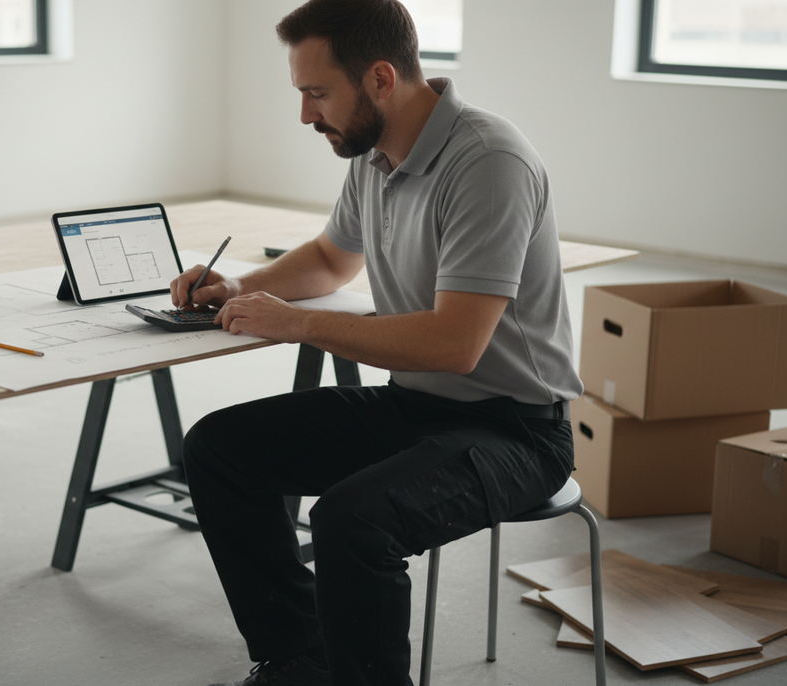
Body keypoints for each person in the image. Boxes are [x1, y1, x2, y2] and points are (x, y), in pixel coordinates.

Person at [171, 1, 583, 684]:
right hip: (415, 408)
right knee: (218, 449)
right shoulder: (375, 153)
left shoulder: (488, 162)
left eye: (316, 93)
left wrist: (298, 323)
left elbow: (456, 345)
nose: (306, 116)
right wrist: (238, 286)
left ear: (381, 79)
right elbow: (332, 260)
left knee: (352, 522)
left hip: (516, 432)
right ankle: (299, 659)